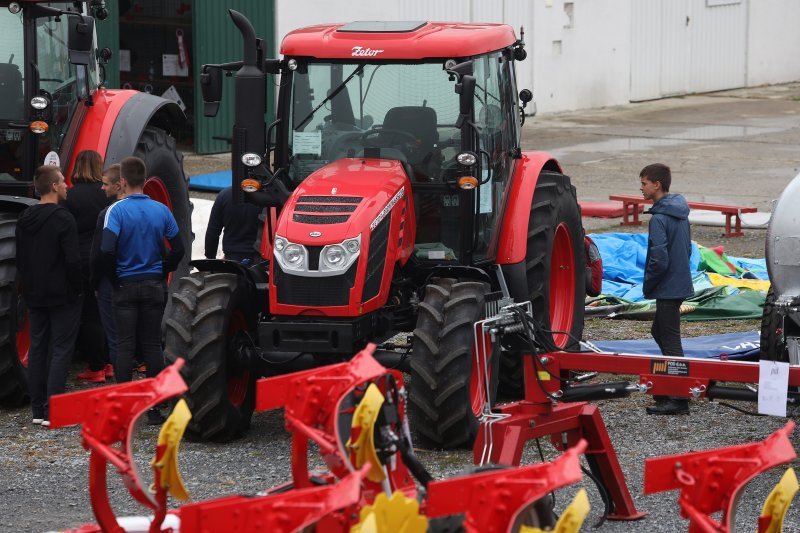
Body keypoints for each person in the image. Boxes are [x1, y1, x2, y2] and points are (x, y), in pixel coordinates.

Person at [100, 156, 185, 424]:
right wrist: (162, 270)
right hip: (153, 284)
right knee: (151, 345)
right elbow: (179, 249)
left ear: (122, 181)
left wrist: (115, 279)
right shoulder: (162, 210)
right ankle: (155, 407)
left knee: (124, 345)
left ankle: (124, 408)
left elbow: (105, 250)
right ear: (145, 180)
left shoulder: (116, 211)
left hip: (125, 284)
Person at [16, 165, 82, 426]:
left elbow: (21, 260)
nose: (67, 185)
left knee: (38, 348)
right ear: (53, 187)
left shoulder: (24, 219)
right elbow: (73, 262)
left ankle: (37, 410)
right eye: (63, 182)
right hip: (62, 294)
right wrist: (78, 288)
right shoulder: (64, 219)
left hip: (34, 293)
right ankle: (55, 410)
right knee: (61, 349)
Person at [639, 163, 694, 416]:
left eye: (644, 183)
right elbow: (688, 249)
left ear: (656, 185)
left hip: (668, 286)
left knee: (670, 340)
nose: (641, 188)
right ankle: (669, 386)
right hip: (680, 281)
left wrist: (649, 283)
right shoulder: (680, 212)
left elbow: (658, 258)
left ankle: (679, 398)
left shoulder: (660, 218)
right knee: (658, 330)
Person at [65, 150, 112, 383]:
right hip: (107, 257)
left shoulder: (69, 197)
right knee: (107, 312)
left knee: (89, 315)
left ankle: (96, 368)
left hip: (82, 260)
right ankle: (110, 362)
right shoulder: (107, 195)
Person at [90, 164, 122, 379]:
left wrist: (97, 282)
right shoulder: (156, 209)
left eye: (105, 184)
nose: (101, 188)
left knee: (115, 339)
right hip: (139, 280)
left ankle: (122, 390)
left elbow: (102, 252)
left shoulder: (108, 214)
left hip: (112, 282)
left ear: (119, 185)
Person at [204, 186, 262, 263]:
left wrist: (210, 258)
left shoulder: (224, 195)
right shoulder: (269, 198)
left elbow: (212, 233)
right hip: (260, 259)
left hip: (232, 258)